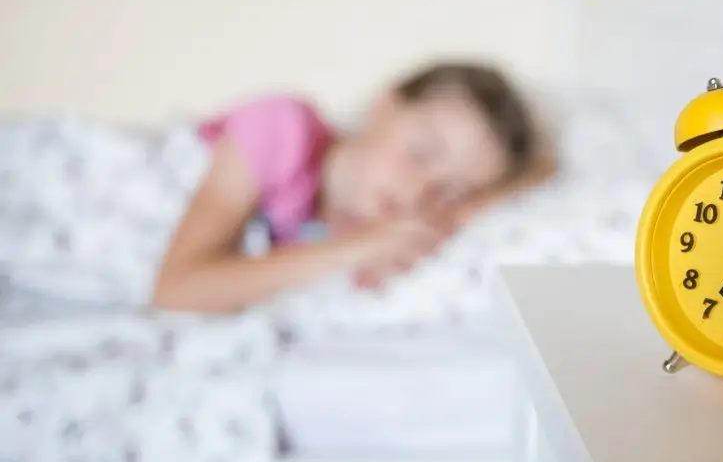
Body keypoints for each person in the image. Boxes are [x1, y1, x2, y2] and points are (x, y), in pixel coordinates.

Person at [152, 61, 554, 313]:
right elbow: (176, 289)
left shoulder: (355, 228)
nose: (418, 193)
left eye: (449, 189)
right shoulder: (282, 130)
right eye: (421, 152)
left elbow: (538, 172)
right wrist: (348, 251)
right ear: (383, 106)